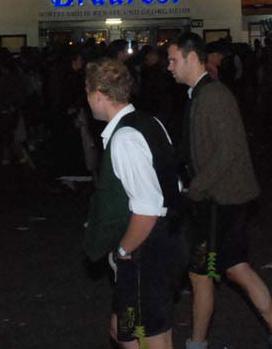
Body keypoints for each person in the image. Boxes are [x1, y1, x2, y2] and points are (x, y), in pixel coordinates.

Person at [168, 32, 272, 349]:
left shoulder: (213, 96)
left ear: (192, 57)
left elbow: (226, 152)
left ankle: (199, 341)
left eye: (173, 60)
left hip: (218, 202)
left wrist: (195, 189)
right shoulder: (201, 94)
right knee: (232, 268)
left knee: (206, 273)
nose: (169, 67)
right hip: (220, 200)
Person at [82, 58, 180, 349]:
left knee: (143, 335)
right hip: (164, 241)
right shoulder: (151, 122)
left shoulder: (124, 137)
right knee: (130, 330)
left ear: (99, 94)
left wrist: (123, 250)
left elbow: (147, 209)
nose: (87, 100)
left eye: (87, 93)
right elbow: (173, 182)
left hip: (146, 251)